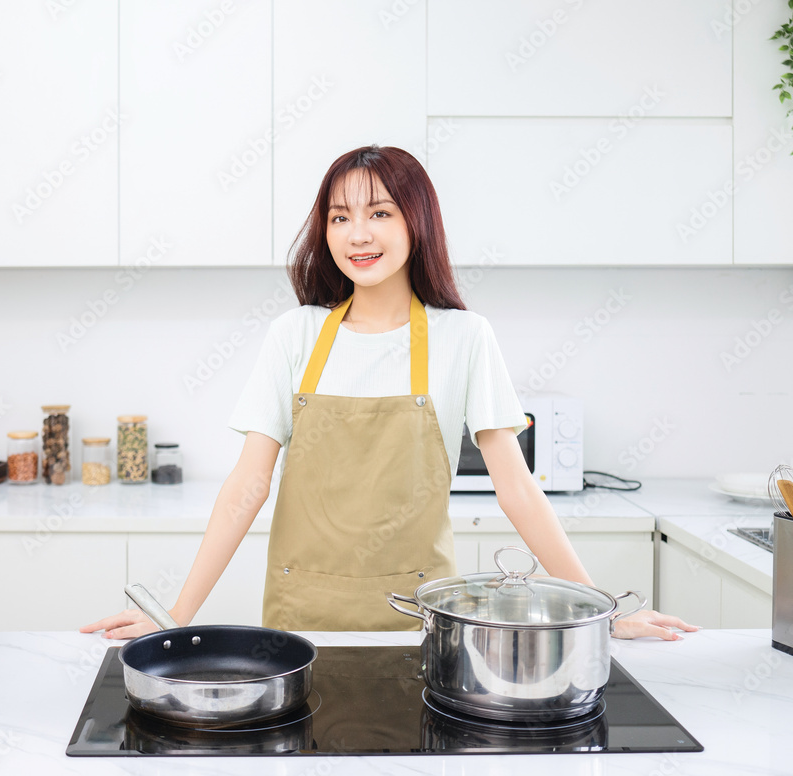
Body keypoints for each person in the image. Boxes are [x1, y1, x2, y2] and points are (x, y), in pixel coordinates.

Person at [82, 145, 697, 641]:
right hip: (302, 626)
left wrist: (602, 615)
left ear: (416, 220)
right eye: (340, 217)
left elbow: (518, 490)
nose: (358, 234)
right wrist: (175, 617)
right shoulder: (296, 334)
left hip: (424, 624)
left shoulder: (464, 338)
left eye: (379, 213)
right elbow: (247, 487)